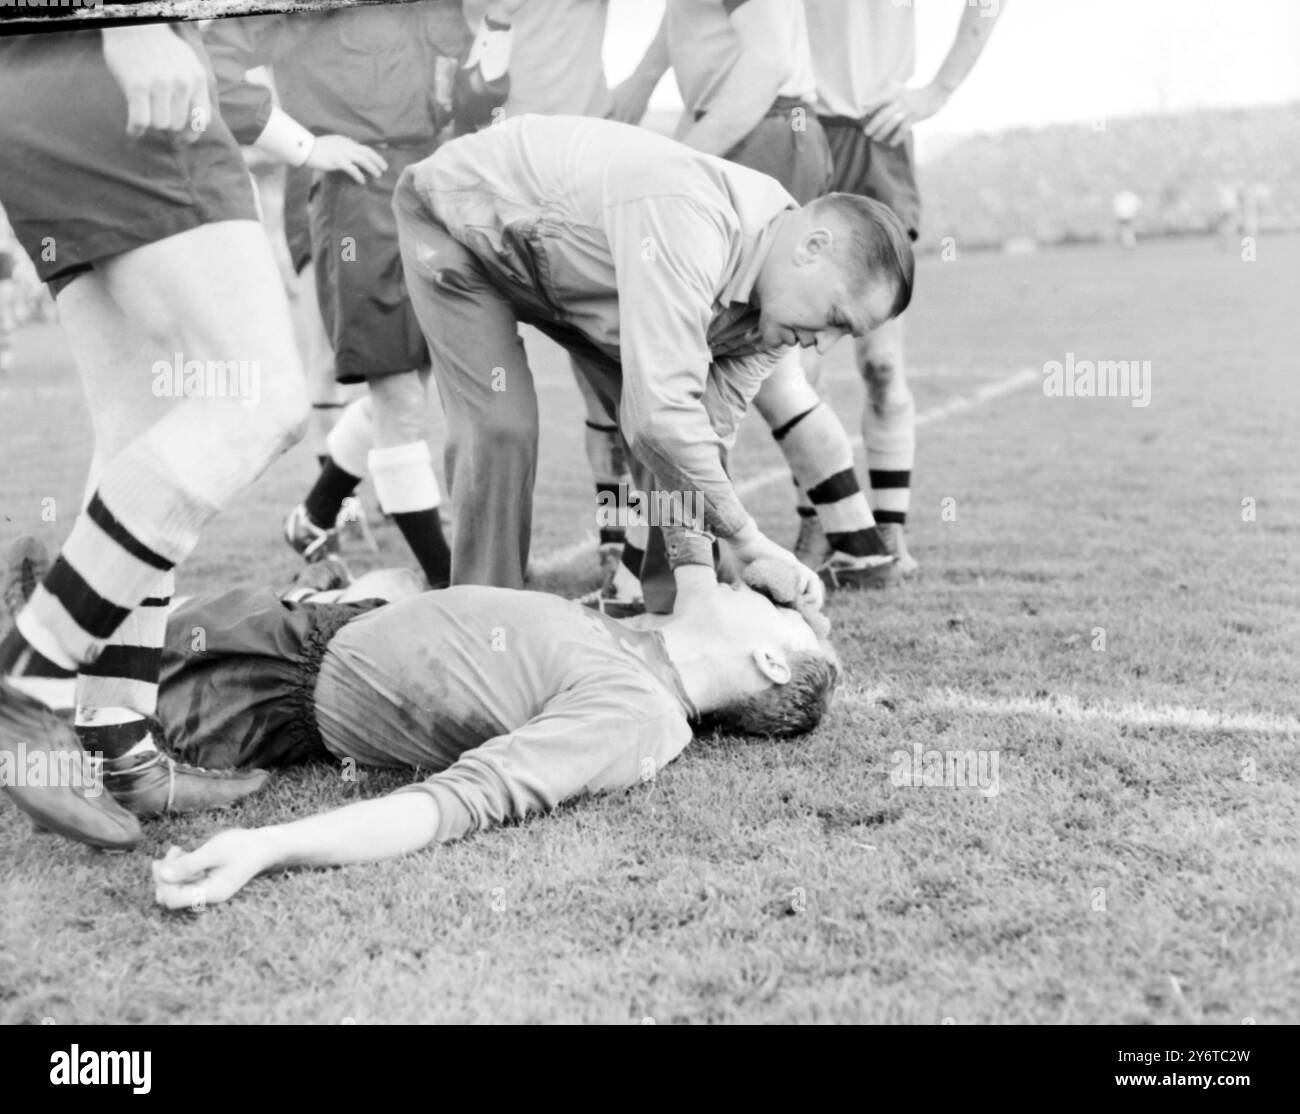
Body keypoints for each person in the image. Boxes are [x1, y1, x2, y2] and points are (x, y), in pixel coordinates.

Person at [393, 113, 914, 615]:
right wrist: (749, 542)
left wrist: (700, 577)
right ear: (813, 247)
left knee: (690, 446)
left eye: (845, 333)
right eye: (836, 318)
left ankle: (673, 613)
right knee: (501, 425)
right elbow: (660, 418)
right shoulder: (689, 218)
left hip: (571, 270)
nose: (823, 345)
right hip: (458, 222)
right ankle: (486, 624)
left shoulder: (778, 316)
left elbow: (695, 438)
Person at [0, 22, 310, 851]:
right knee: (261, 396)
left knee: (139, 433)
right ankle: (30, 674)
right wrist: (129, 21)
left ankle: (120, 746)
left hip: (33, 85)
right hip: (111, 67)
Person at [148, 558, 838, 909]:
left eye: (784, 616)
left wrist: (268, 846)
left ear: (771, 662)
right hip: (319, 623)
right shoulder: (647, 638)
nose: (765, 593)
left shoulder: (637, 715)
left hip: (259, 688)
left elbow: (465, 801)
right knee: (103, 615)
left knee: (74, 661)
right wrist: (761, 556)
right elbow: (674, 469)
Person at [204, 1, 522, 586]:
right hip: (359, 199)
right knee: (400, 399)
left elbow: (475, 105)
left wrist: (500, 24)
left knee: (408, 389)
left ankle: (315, 515)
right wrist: (305, 147)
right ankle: (453, 587)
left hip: (435, 189)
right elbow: (213, 67)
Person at [609, 0, 900, 590]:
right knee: (746, 375)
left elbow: (766, 60)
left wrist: (672, 161)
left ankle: (668, 568)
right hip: (761, 128)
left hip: (757, 128)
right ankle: (855, 540)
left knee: (709, 373)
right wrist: (643, 80)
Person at [790, 0, 1004, 577]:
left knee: (881, 365)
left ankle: (889, 533)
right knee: (802, 368)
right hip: (802, 132)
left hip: (877, 138)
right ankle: (819, 522)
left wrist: (937, 91)